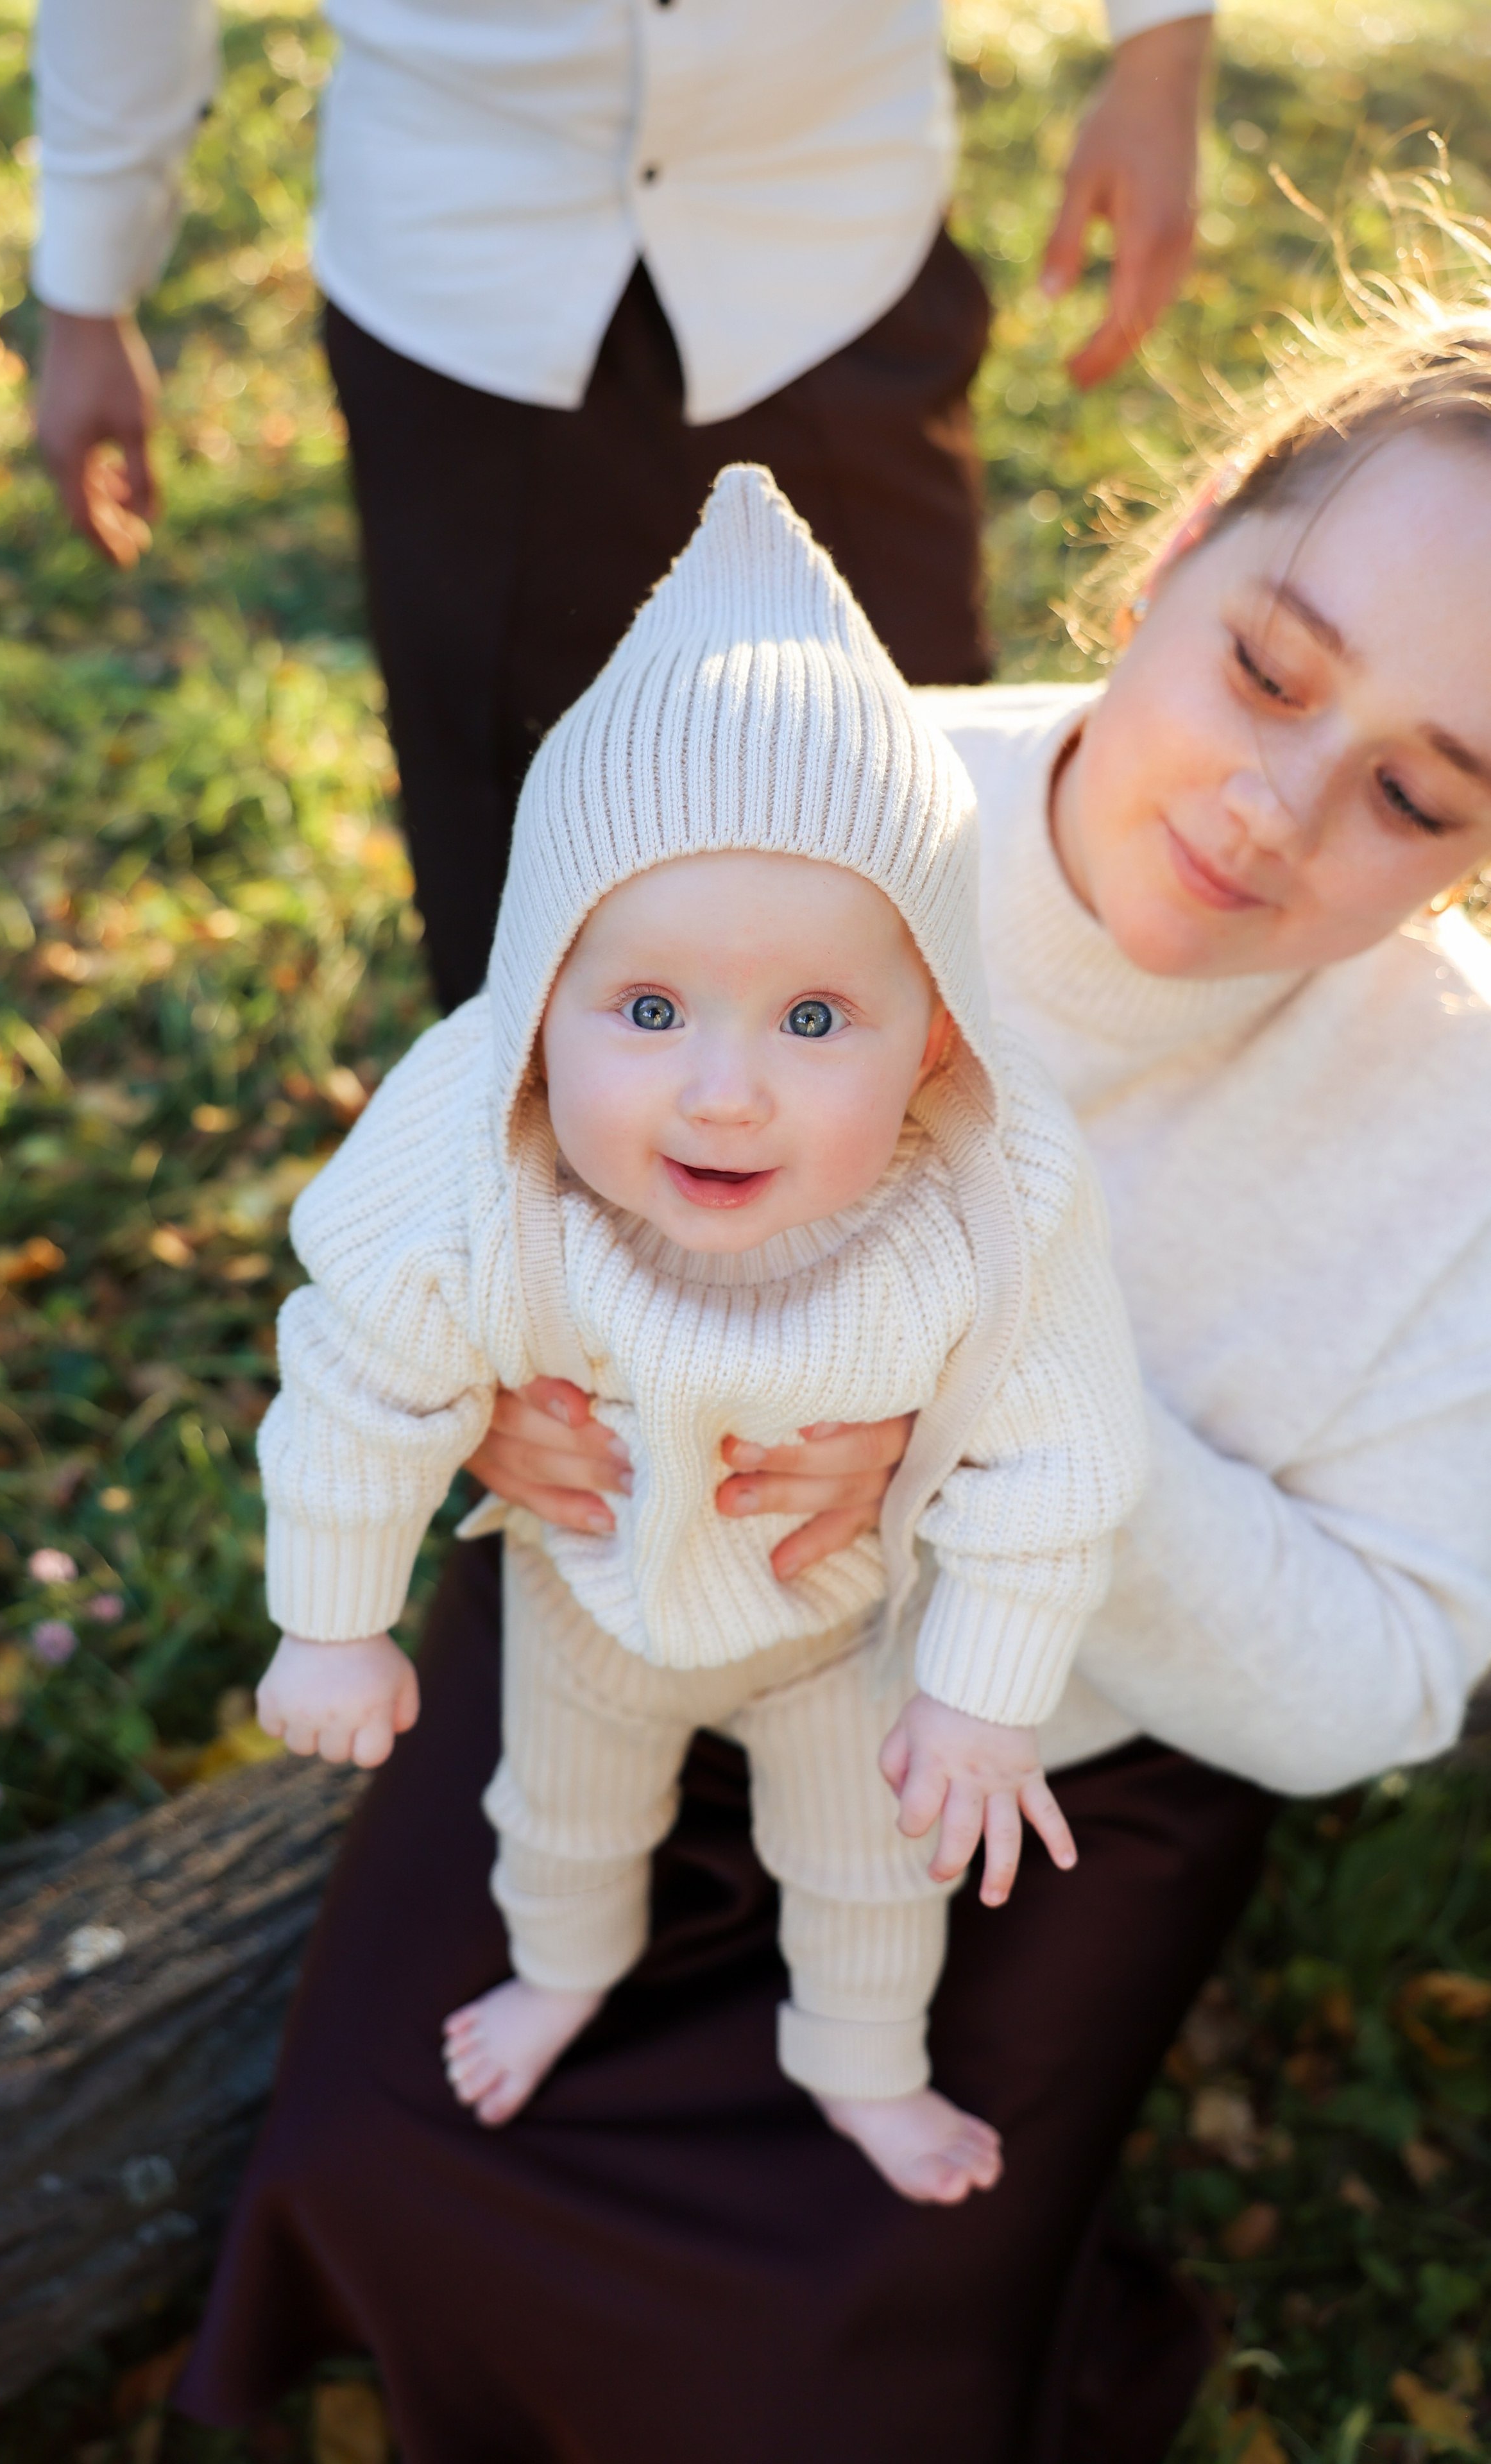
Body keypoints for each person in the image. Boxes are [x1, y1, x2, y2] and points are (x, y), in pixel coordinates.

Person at [175, 287, 1491, 2460]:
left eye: (1414, 794)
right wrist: (488, 1389)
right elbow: (464, 1159)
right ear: (1172, 553)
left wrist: (989, 1442)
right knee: (388, 2166)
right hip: (620, 1603)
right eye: (1268, 666)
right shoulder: (790, 808)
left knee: (823, 2374)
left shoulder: (1451, 1138)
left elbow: (1384, 1677)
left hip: (1033, 1777)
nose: (1273, 804)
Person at [249, 465, 1146, 2205]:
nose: (722, 1093)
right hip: (585, 1586)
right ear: (536, 1003)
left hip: (833, 1622)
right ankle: (562, 1974)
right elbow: (356, 1381)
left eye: (817, 1016)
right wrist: (333, 1622)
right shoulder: (468, 1158)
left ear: (937, 1047)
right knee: (564, 1819)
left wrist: (980, 1693)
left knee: (873, 1865)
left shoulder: (989, 1188)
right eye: (646, 1007)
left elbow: (1066, 1451)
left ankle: (861, 2068)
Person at [29, 0, 1214, 1009]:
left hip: (834, 231)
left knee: (907, 805)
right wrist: (89, 283)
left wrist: (1159, 51)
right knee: (521, 883)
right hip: (464, 278)